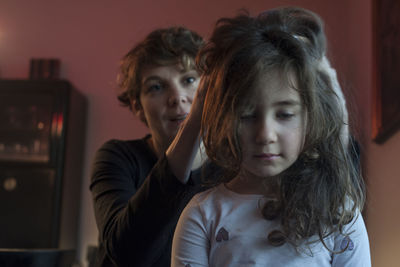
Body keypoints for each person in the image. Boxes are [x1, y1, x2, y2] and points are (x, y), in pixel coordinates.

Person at [171, 7, 370, 267]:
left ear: (311, 119)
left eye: (285, 114)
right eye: (247, 115)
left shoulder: (339, 214)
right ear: (224, 119)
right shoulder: (202, 215)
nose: (265, 135)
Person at [90, 26, 216, 267]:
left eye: (189, 80)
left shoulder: (234, 165)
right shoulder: (117, 157)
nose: (177, 97)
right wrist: (193, 127)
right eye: (156, 87)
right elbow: (127, 254)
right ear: (138, 106)